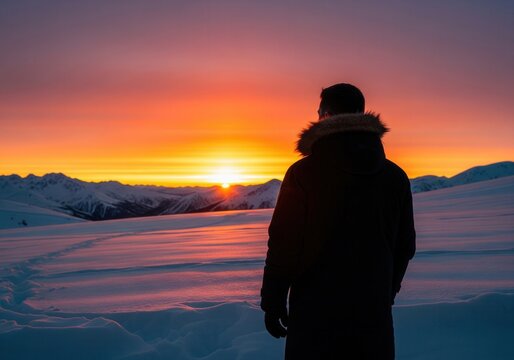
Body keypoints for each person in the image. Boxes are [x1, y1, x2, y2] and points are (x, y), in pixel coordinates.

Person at [260, 83, 416, 359]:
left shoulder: (303, 174)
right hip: (372, 314)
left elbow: (284, 244)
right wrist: (384, 293)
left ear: (327, 114)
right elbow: (405, 246)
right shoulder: (395, 177)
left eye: (319, 110)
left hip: (314, 312)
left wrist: (273, 302)